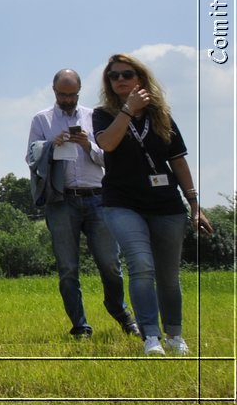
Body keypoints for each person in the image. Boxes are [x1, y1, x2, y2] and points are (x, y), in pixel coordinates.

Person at [92, 54, 215, 356]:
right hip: (122, 203)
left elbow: (178, 161)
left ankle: (174, 335)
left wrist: (195, 204)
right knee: (141, 266)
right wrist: (127, 111)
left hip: (166, 204)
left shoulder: (162, 116)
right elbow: (107, 144)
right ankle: (151, 337)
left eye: (127, 74)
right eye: (113, 76)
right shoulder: (103, 114)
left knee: (168, 275)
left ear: (141, 79)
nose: (120, 79)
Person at [25, 69, 135, 338]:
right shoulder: (42, 119)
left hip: (98, 195)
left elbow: (109, 158)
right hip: (61, 199)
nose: (67, 99)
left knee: (111, 264)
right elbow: (30, 158)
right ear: (54, 91)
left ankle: (119, 311)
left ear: (79, 91)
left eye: (72, 94)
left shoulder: (94, 116)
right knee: (67, 269)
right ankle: (80, 326)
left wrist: (89, 146)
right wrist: (52, 145)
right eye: (63, 95)